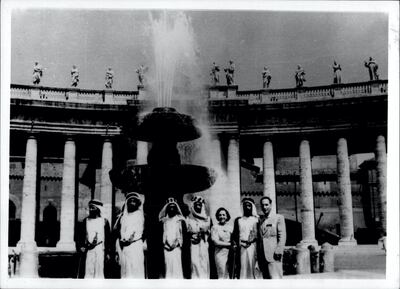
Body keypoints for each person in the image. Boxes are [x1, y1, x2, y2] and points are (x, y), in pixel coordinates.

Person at [114, 192, 146, 278]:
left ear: (138, 203)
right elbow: (119, 233)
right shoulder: (123, 217)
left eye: (134, 201)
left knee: (136, 269)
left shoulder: (141, 216)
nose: (132, 203)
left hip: (136, 246)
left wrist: (136, 241)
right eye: (130, 201)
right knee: (126, 270)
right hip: (125, 247)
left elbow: (145, 232)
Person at [78, 199, 111, 279]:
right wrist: (81, 246)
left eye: (93, 208)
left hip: (100, 249)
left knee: (99, 270)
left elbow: (108, 238)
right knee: (89, 269)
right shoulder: (85, 221)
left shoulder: (105, 221)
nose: (91, 210)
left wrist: (108, 252)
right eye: (90, 208)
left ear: (98, 209)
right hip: (89, 249)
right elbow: (80, 235)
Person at [257, 196, 286, 279]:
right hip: (262, 257)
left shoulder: (278, 218)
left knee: (275, 279)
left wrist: (279, 250)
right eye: (262, 205)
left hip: (274, 254)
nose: (264, 207)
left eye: (266, 205)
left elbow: (282, 235)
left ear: (271, 205)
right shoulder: (260, 220)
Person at [232, 198, 261, 279]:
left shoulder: (256, 219)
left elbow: (258, 234)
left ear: (252, 207)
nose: (247, 207)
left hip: (252, 246)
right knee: (243, 268)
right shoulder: (238, 220)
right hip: (241, 246)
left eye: (249, 206)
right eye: (245, 206)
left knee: (252, 267)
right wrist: (238, 244)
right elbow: (235, 234)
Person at [159, 197, 187, 278]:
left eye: (173, 207)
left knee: (177, 266)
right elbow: (161, 235)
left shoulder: (180, 220)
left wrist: (176, 243)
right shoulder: (163, 221)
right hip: (166, 248)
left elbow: (183, 235)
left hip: (177, 248)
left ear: (176, 208)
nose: (172, 209)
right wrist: (167, 244)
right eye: (170, 207)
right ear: (167, 208)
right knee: (168, 266)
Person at [186, 196, 211, 278]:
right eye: (196, 204)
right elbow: (187, 231)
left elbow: (209, 232)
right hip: (193, 244)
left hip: (203, 243)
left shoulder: (207, 219)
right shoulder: (188, 219)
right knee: (194, 262)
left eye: (200, 205)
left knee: (203, 262)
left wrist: (204, 232)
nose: (198, 206)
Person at [211, 207, 233, 279]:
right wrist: (230, 244)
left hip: (229, 253)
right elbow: (216, 242)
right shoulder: (215, 227)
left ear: (227, 216)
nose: (222, 217)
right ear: (217, 216)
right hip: (220, 254)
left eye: (223, 215)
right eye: (220, 215)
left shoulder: (230, 227)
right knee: (222, 273)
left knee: (229, 274)